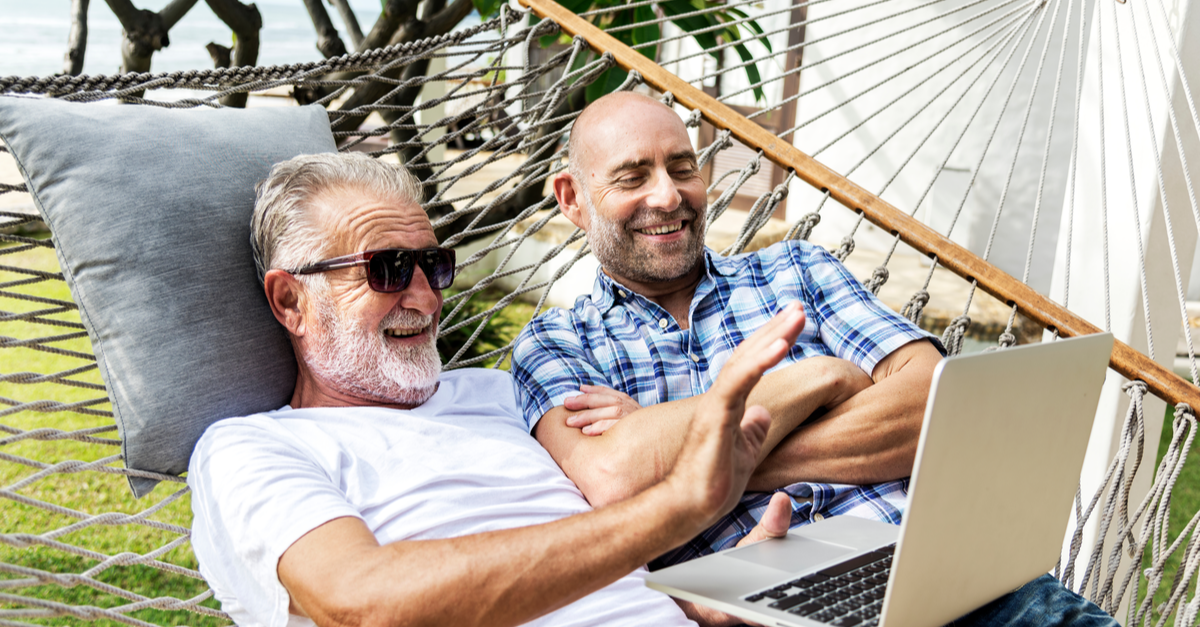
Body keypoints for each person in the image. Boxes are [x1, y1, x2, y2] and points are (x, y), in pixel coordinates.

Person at [510, 91, 1117, 626]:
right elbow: (614, 478)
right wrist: (817, 378)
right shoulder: (557, 343)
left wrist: (706, 465)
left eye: (682, 167)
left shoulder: (796, 269)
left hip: (942, 572)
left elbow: (938, 405)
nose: (668, 196)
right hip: (758, 604)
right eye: (633, 176)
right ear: (573, 197)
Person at [186, 151, 803, 627]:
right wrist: (678, 509)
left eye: (434, 265)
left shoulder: (505, 393)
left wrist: (699, 605)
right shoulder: (250, 448)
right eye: (387, 269)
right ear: (291, 300)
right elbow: (361, 602)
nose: (427, 299)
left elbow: (611, 545)